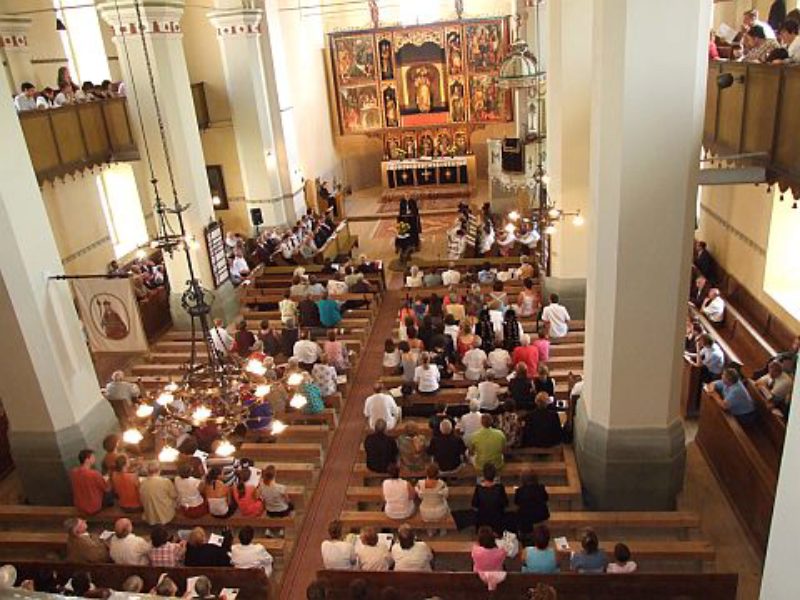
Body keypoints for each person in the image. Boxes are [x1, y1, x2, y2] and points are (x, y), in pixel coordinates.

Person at [70, 449, 109, 516]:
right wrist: (106, 479)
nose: (94, 459)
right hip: (93, 507)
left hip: (79, 505)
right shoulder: (94, 474)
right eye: (93, 457)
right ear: (87, 460)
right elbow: (106, 488)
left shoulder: (73, 472)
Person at [472, 463, 508, 535]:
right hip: (497, 519)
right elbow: (505, 503)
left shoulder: (479, 489)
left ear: (483, 475)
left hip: (483, 520)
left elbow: (474, 504)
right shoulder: (500, 488)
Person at [514, 469, 550, 534]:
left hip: (526, 516)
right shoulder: (541, 488)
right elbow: (546, 498)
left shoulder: (519, 491)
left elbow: (516, 502)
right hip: (541, 514)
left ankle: (524, 533)